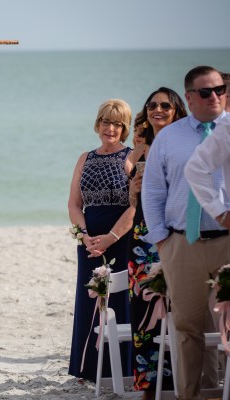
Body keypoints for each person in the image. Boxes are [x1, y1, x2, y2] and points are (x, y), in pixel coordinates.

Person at [142, 66, 228, 399]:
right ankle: (189, 395)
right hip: (182, 243)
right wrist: (162, 240)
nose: (215, 96)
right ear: (190, 97)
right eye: (206, 92)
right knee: (187, 327)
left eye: (220, 90)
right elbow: (152, 191)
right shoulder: (168, 137)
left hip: (227, 243)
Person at [67, 99, 135, 383]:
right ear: (98, 124)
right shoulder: (85, 158)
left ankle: (122, 369)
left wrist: (110, 238)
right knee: (88, 300)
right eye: (106, 122)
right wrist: (84, 236)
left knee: (119, 301)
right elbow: (74, 204)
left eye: (118, 124)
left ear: (125, 128)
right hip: (89, 243)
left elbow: (135, 207)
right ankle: (86, 368)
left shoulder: (131, 158)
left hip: (120, 240)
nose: (111, 128)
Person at [126, 88, 187, 399]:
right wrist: (134, 190)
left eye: (165, 105)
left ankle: (182, 381)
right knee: (143, 307)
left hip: (176, 231)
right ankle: (148, 387)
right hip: (142, 236)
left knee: (180, 306)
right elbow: (131, 202)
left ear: (176, 110)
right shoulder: (138, 150)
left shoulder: (185, 144)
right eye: (152, 105)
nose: (158, 109)